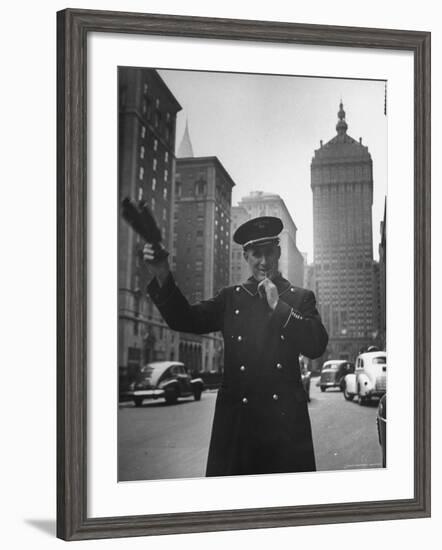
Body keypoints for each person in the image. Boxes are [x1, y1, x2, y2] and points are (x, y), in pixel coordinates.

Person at [144, 216, 328, 477]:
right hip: (239, 425)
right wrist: (162, 272)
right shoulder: (230, 298)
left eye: (269, 253)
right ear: (246, 256)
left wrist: (280, 307)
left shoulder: (299, 298)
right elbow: (183, 318)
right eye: (256, 254)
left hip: (284, 425)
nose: (264, 262)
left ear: (278, 252)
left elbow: (316, 345)